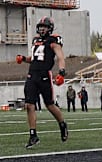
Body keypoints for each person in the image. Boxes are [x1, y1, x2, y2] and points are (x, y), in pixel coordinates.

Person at [16, 16, 68, 148]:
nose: (41, 29)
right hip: (32, 75)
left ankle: (62, 124)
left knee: (50, 105)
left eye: (44, 26)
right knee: (29, 105)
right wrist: (23, 58)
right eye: (40, 26)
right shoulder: (36, 40)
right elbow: (34, 58)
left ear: (49, 28)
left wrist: (62, 72)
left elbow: (60, 57)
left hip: (45, 76)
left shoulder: (54, 40)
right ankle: (33, 135)